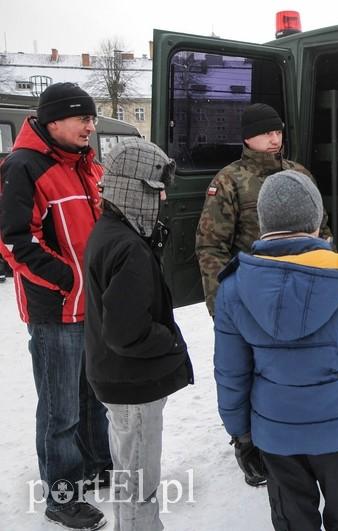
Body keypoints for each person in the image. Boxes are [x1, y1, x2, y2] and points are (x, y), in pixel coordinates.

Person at [213, 169, 338, 530]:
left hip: (275, 435)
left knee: (293, 522)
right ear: (315, 221)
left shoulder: (234, 287)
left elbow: (231, 373)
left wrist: (242, 435)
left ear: (265, 223)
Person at [0, 82, 111, 530]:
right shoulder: (23, 167)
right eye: (81, 118)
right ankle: (62, 495)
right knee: (60, 408)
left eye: (92, 118)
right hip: (56, 310)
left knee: (93, 395)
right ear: (53, 121)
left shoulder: (85, 164)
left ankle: (94, 464)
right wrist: (70, 280)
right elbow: (14, 242)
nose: (90, 125)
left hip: (93, 304)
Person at [84, 137, 194, 531]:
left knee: (130, 473)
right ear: (134, 189)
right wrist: (170, 340)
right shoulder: (127, 247)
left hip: (119, 379)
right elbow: (127, 333)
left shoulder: (111, 231)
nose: (163, 200)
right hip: (132, 383)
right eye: (157, 191)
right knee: (138, 484)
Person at [195, 102, 331, 317]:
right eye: (267, 133)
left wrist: (328, 280)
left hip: (305, 290)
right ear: (247, 137)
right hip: (254, 295)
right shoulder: (228, 181)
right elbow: (211, 248)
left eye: (278, 132)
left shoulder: (299, 174)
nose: (275, 140)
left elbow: (322, 230)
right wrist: (224, 308)